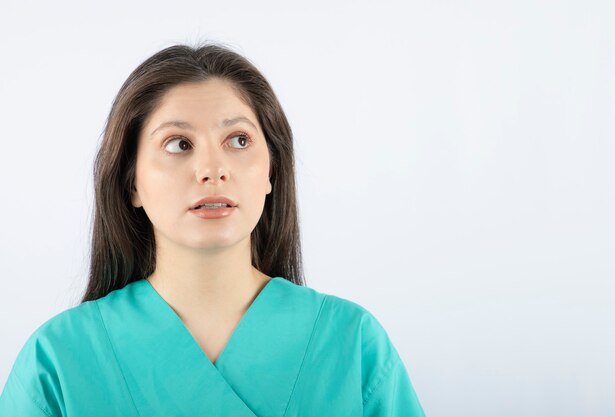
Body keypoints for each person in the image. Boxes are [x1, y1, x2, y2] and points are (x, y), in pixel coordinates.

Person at [0, 42, 426, 416]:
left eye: (239, 141)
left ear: (271, 172)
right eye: (179, 144)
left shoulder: (351, 346)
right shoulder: (58, 361)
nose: (212, 170)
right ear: (132, 183)